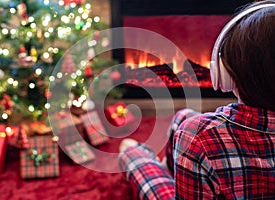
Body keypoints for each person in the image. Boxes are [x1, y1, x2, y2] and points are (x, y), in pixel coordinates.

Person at [118, 1, 275, 199]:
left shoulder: (198, 136)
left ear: (224, 74)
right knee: (183, 117)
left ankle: (138, 155)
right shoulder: (198, 132)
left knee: (132, 153)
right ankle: (174, 166)